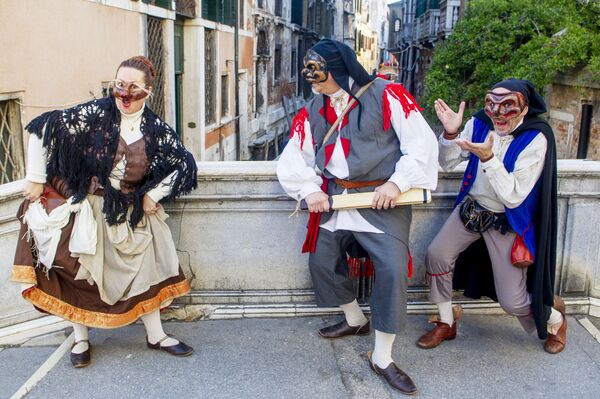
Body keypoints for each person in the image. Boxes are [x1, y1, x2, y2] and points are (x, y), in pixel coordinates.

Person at [11, 56, 198, 367]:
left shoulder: (156, 130)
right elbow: (42, 128)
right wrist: (35, 177)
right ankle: (81, 338)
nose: (124, 94)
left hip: (127, 212)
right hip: (85, 206)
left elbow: (185, 165)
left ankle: (156, 336)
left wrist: (154, 193)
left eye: (133, 88)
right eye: (119, 85)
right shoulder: (93, 113)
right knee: (79, 276)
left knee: (147, 271)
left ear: (147, 92)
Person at [277, 39, 438, 394]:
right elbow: (293, 159)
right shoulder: (313, 110)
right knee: (321, 260)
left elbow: (422, 144)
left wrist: (397, 184)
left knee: (393, 269)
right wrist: (311, 190)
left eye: (318, 76)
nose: (313, 84)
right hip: (335, 198)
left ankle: (383, 356)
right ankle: (354, 319)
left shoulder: (389, 95)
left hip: (383, 199)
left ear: (337, 69)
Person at [416, 78, 566, 354]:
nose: (497, 114)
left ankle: (555, 318)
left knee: (514, 301)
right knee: (436, 254)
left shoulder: (536, 138)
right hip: (471, 210)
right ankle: (446, 321)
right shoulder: (479, 123)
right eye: (491, 105)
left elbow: (513, 196)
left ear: (523, 108)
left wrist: (488, 159)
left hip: (506, 222)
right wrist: (450, 135)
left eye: (507, 106)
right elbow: (448, 162)